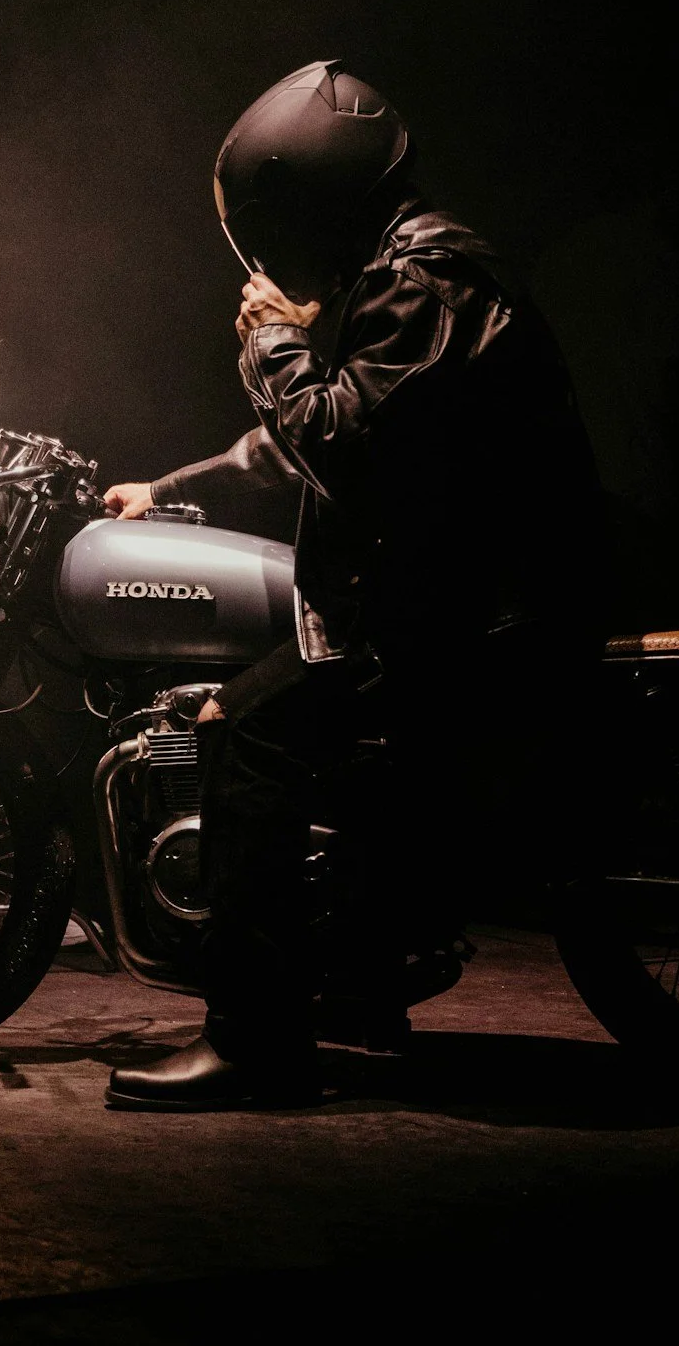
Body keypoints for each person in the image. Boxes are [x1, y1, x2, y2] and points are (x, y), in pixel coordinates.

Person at [103, 61, 604, 1110]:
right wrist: (165, 487)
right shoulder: (416, 274)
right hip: (456, 594)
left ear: (313, 201)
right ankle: (358, 982)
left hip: (468, 615)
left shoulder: (419, 283)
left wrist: (270, 340)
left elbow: (336, 436)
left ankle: (253, 1040)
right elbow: (327, 440)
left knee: (245, 734)